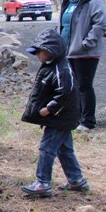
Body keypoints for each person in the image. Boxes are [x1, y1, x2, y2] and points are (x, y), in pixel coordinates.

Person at [21, 29, 89, 197]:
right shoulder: (51, 66)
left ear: (51, 51)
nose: (38, 55)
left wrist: (49, 109)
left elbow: (66, 92)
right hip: (60, 118)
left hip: (60, 118)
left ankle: (43, 182)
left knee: (47, 148)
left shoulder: (62, 69)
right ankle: (76, 180)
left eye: (40, 51)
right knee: (64, 149)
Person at [59, 0, 106, 132]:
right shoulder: (68, 3)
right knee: (72, 86)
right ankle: (76, 117)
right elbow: (64, 26)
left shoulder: (93, 2)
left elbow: (101, 24)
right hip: (68, 51)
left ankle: (87, 121)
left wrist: (86, 43)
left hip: (86, 53)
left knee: (84, 86)